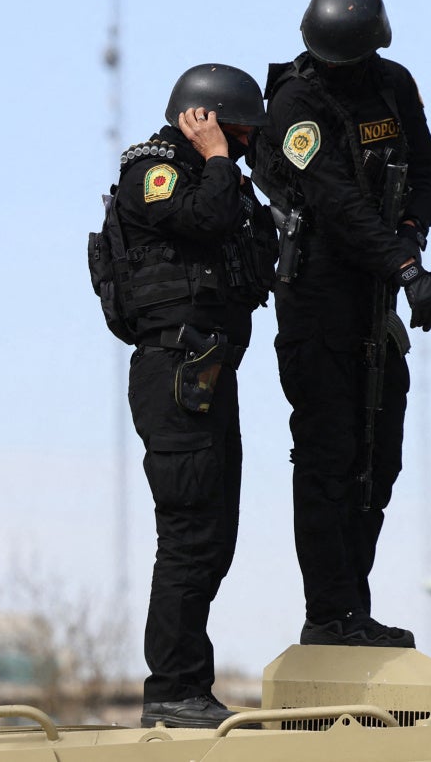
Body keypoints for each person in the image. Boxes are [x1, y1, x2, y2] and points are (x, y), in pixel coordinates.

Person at [252, 0, 431, 648]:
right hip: (318, 294)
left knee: (380, 453)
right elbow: (338, 206)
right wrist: (407, 270)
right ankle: (330, 613)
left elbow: (424, 171)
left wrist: (410, 235)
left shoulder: (394, 85)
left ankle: (354, 608)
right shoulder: (294, 107)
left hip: (377, 295)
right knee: (329, 454)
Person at [116, 63, 277, 728]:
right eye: (233, 131)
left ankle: (187, 684)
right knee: (186, 533)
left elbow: (257, 248)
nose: (241, 145)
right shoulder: (154, 175)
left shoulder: (225, 184)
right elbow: (204, 218)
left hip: (208, 373)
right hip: (174, 371)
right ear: (200, 120)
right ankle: (173, 690)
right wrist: (215, 159)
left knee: (214, 535)